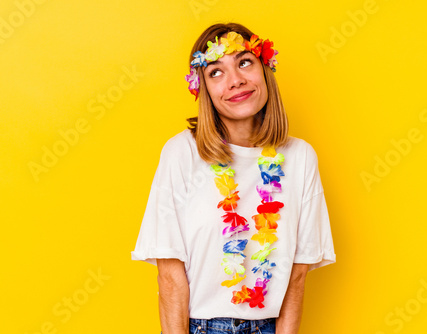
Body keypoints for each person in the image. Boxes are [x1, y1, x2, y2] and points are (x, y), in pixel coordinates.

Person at [131, 22, 336, 334]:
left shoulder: (300, 157)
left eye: (244, 62)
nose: (236, 81)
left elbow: (297, 275)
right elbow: (170, 274)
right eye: (216, 72)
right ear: (203, 89)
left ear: (264, 69)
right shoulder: (181, 153)